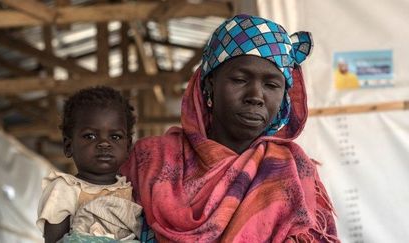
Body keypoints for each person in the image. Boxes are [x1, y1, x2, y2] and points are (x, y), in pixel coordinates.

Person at [121, 14, 340, 242]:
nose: (255, 96)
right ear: (210, 84)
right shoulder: (150, 159)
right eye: (240, 80)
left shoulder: (294, 171)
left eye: (271, 85)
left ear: (284, 96)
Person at [37, 86, 142, 243]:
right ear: (68, 146)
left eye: (115, 136)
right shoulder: (64, 189)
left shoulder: (133, 189)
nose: (104, 144)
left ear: (128, 148)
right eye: (90, 136)